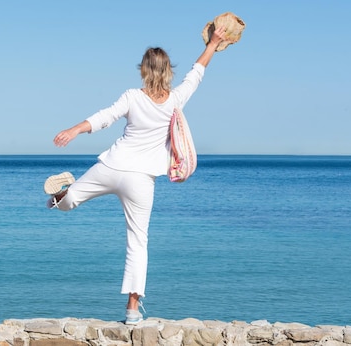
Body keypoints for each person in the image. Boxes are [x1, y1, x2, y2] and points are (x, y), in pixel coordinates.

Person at [43, 26, 228, 325]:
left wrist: (74, 129)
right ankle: (131, 310)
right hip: (141, 178)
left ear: (143, 70)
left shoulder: (132, 96)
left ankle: (61, 195)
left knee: (71, 200)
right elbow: (197, 72)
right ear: (168, 71)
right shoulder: (175, 100)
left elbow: (105, 117)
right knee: (138, 242)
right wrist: (214, 43)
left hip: (113, 166)